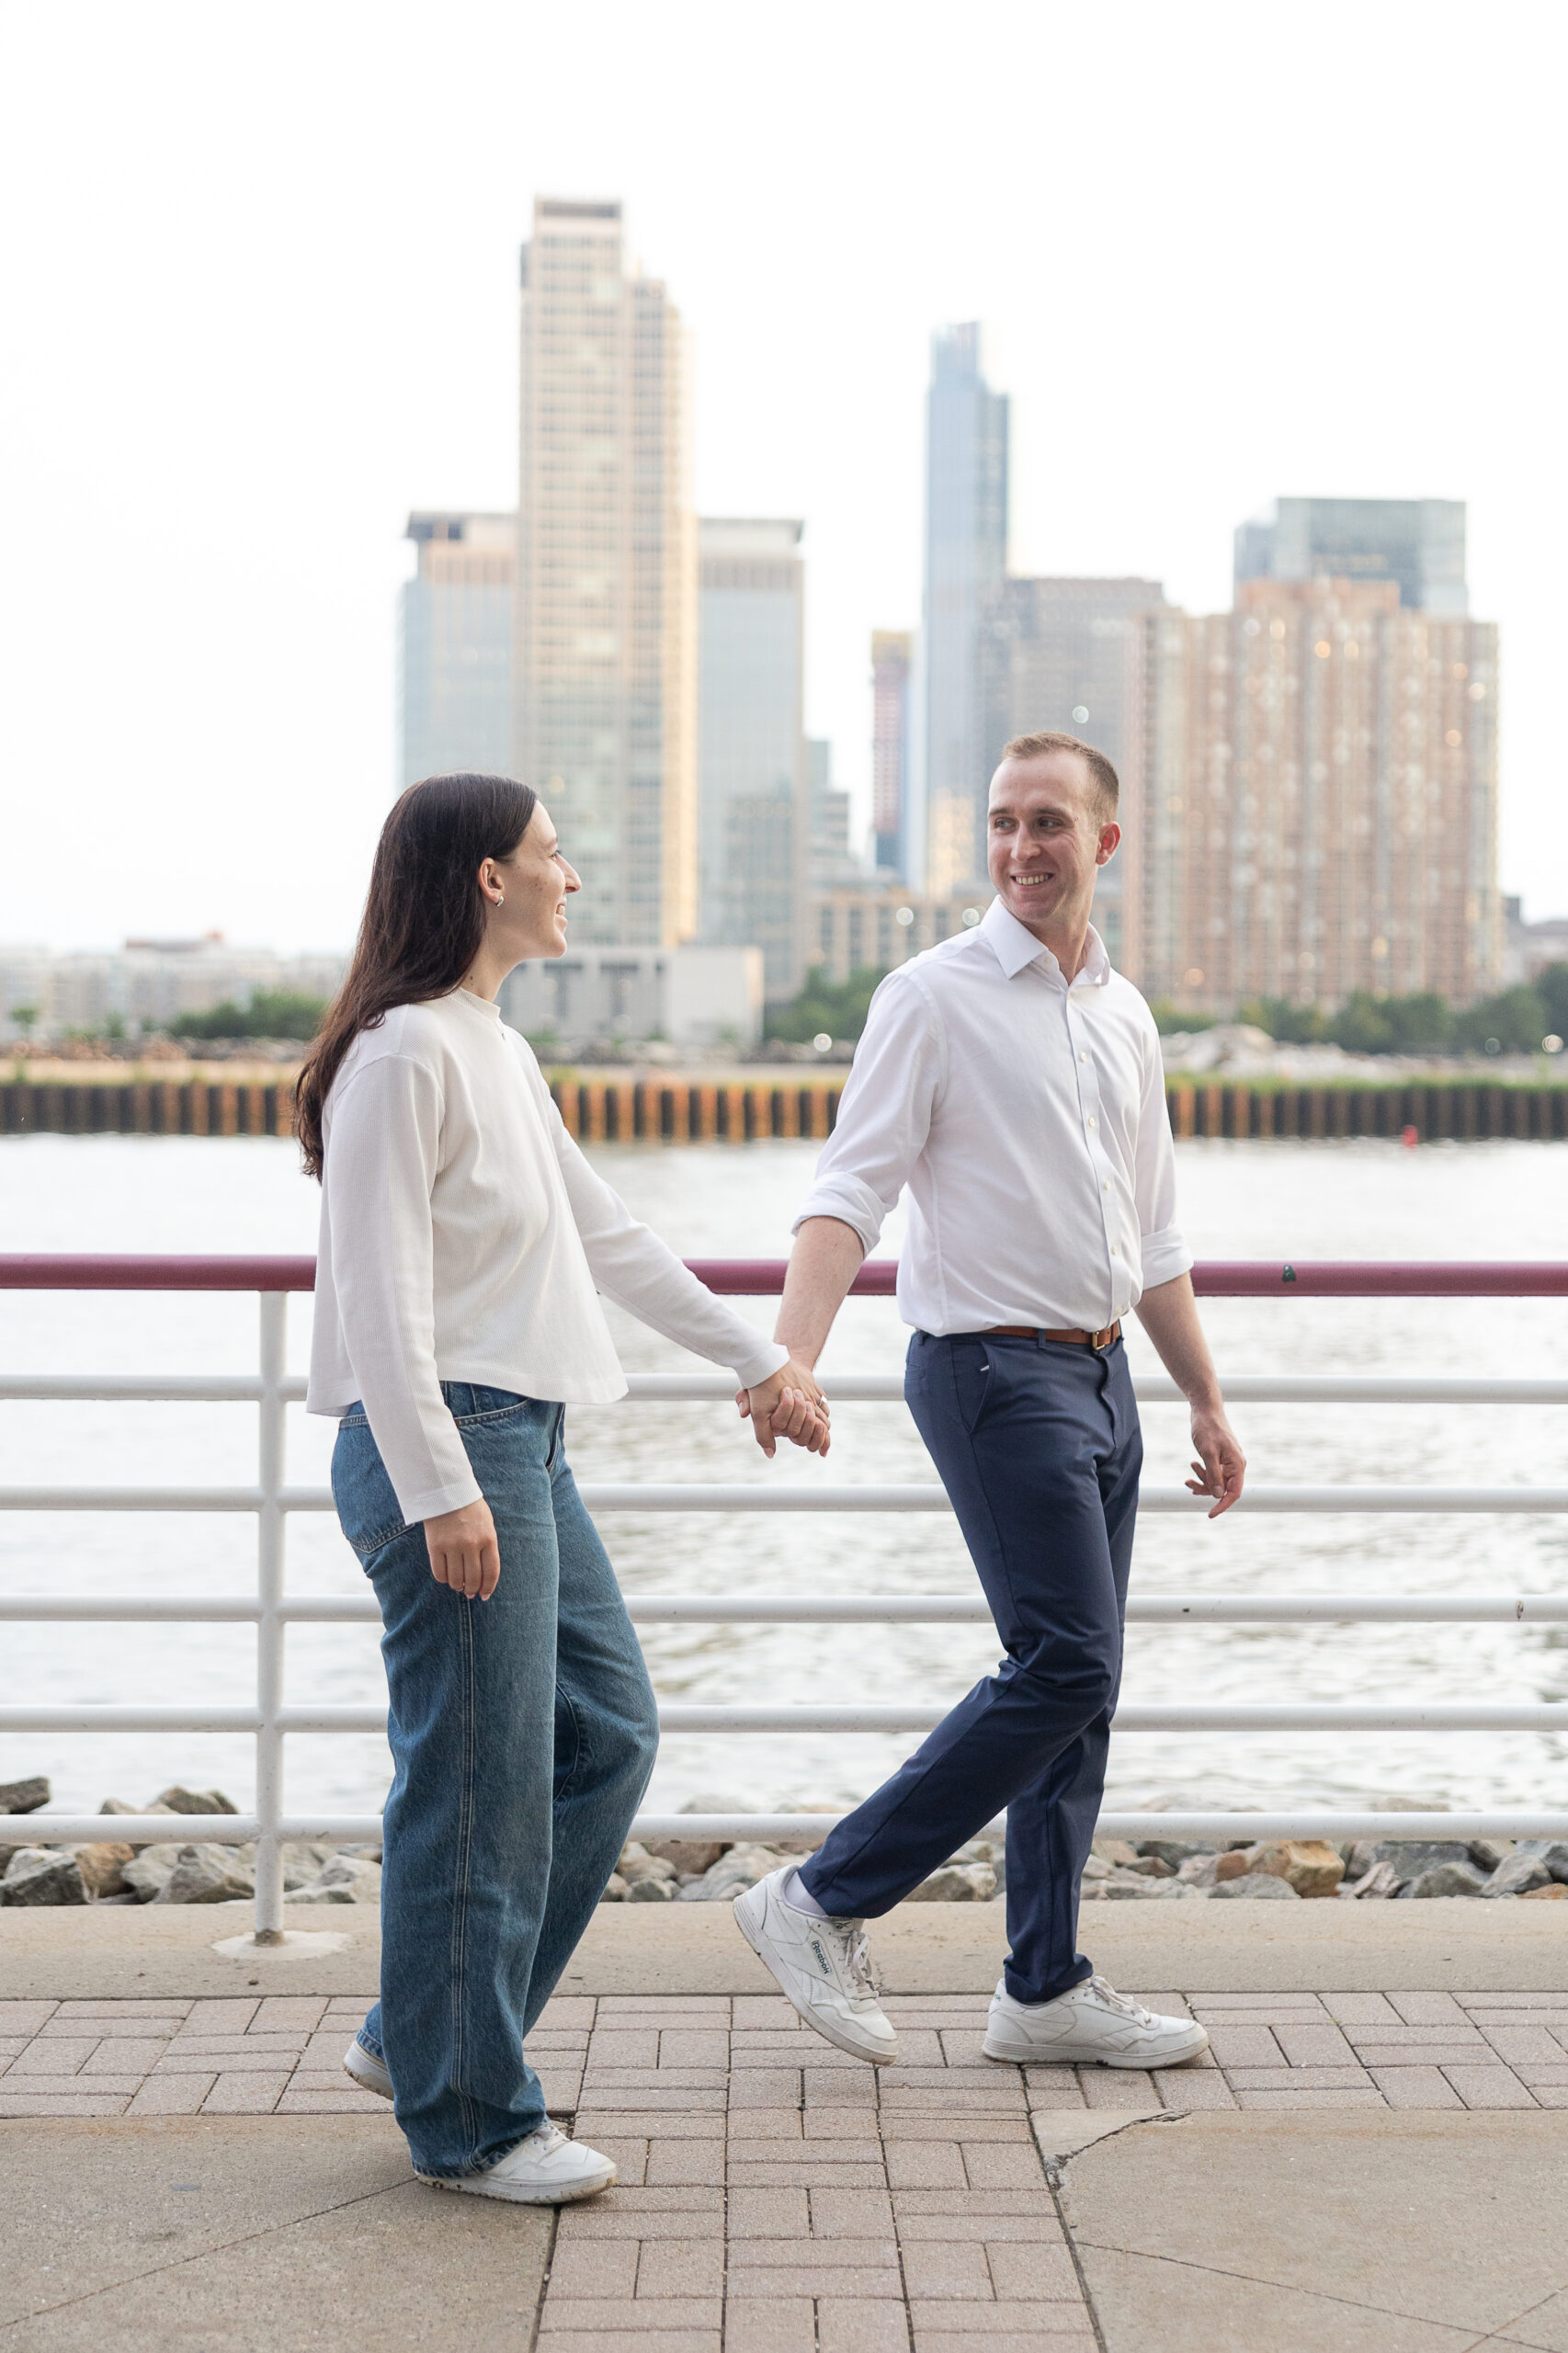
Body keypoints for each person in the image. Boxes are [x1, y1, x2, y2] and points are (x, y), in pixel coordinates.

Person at [298, 772, 828, 2205]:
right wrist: (437, 1488)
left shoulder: (492, 1050)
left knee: (604, 1736)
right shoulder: (401, 1057)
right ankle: (467, 2116)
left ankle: (417, 2034)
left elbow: (615, 1238)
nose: (569, 875)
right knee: (477, 1792)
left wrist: (762, 1362)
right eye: (550, 853)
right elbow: (381, 1301)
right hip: (453, 1448)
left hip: (525, 1441)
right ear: (482, 877)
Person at [733, 732, 1245, 2075]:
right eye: (1005, 823)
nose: (1023, 848)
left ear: (1103, 845)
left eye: (1050, 825)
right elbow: (847, 1191)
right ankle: (818, 1897)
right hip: (985, 1369)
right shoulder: (931, 995)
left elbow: (1154, 1238)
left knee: (1089, 1687)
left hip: (1100, 1371)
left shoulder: (1121, 1013)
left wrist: (1201, 1399)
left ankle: (1042, 1986)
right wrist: (788, 1356)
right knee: (1063, 1661)